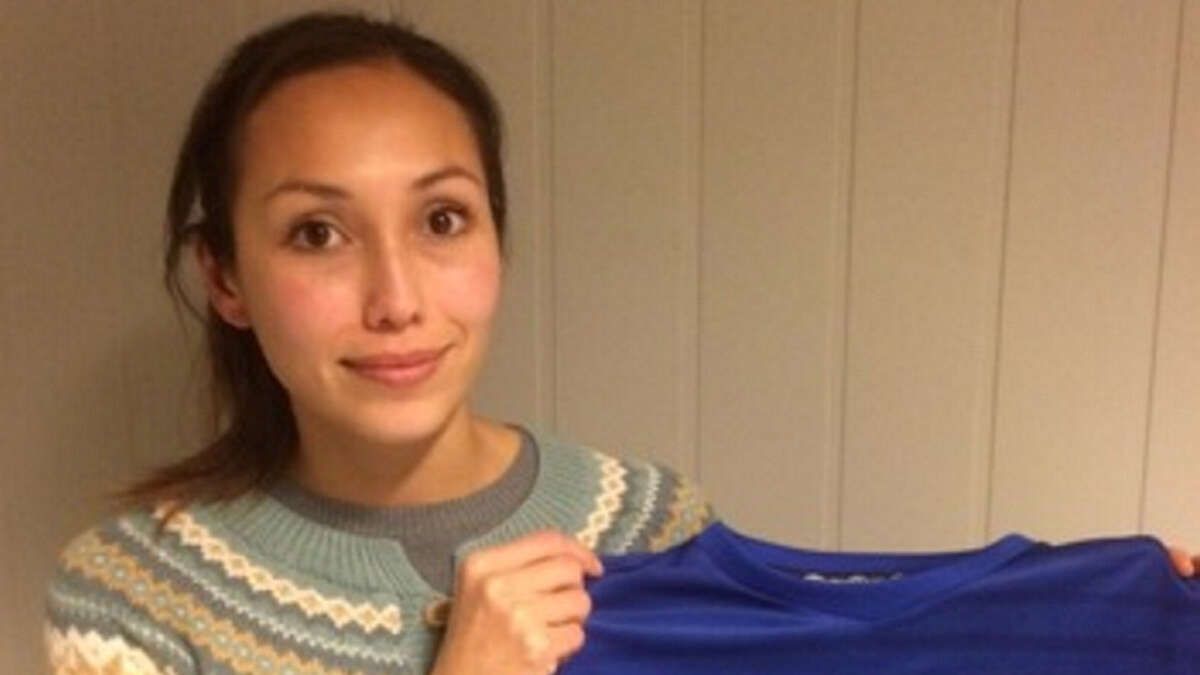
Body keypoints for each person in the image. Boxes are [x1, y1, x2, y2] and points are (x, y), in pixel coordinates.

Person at [43, 11, 1197, 675]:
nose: (396, 298)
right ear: (226, 278)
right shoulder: (133, 604)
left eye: (442, 220)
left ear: (499, 236)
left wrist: (1136, 613)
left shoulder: (655, 531)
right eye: (317, 233)